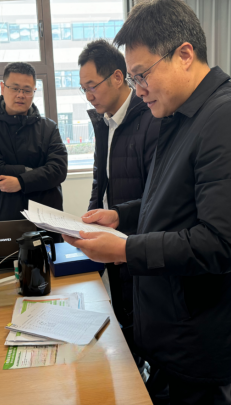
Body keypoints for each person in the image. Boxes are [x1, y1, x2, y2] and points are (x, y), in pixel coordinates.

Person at [62, 1, 231, 404]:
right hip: (173, 331)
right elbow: (169, 199)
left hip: (201, 341)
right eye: (133, 78)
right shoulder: (180, 116)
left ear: (184, 54)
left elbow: (221, 243)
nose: (138, 89)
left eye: (142, 75)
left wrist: (126, 250)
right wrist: (121, 215)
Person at [78, 39, 159, 361]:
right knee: (122, 317)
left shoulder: (150, 118)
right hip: (111, 235)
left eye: (92, 86)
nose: (88, 95)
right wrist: (88, 221)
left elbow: (157, 195)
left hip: (139, 243)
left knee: (143, 325)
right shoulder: (104, 121)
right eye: (83, 89)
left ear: (116, 77)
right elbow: (100, 182)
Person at [0, 62, 68, 227]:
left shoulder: (48, 127)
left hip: (48, 218)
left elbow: (58, 170)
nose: (20, 95)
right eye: (15, 88)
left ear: (34, 91)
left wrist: (21, 182)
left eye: (27, 90)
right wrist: (30, 172)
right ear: (2, 88)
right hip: (8, 217)